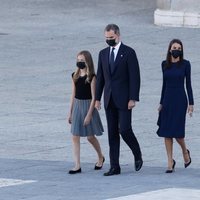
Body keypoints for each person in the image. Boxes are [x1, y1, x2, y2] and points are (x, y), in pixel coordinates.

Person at [95, 24, 143, 176]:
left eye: (112, 38)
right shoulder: (103, 54)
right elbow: (101, 78)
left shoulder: (128, 52)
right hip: (109, 99)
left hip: (124, 99)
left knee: (125, 130)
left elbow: (135, 77)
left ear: (118, 36)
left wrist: (133, 98)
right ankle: (115, 166)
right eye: (107, 38)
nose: (109, 40)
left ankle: (137, 153)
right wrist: (97, 98)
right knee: (112, 133)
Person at [157, 39, 194, 173]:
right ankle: (169, 161)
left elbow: (188, 85)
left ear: (181, 50)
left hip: (180, 100)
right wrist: (161, 103)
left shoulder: (185, 64)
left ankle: (185, 152)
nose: (176, 49)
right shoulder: (164, 64)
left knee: (178, 133)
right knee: (167, 132)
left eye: (179, 47)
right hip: (167, 99)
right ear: (169, 49)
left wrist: (191, 103)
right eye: (174, 47)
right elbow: (164, 85)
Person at [68, 50, 105, 174]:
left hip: (88, 106)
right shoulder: (74, 75)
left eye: (82, 61)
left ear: (87, 61)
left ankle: (100, 156)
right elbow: (73, 94)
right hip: (78, 106)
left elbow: (94, 97)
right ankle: (77, 164)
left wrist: (89, 114)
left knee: (90, 136)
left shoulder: (92, 77)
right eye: (78, 60)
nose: (80, 63)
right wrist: (70, 112)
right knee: (75, 135)